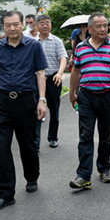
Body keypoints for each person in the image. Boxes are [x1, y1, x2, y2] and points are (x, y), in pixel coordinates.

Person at [0, 11, 48, 211]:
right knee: (2, 147)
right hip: (3, 101)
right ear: (3, 26)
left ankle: (32, 176)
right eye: (7, 25)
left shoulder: (34, 46)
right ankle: (5, 193)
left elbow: (40, 73)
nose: (12, 28)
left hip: (26, 101)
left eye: (15, 24)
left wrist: (41, 100)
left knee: (27, 144)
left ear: (23, 25)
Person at [68, 13, 110, 189]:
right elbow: (75, 71)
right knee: (85, 136)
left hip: (107, 96)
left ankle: (104, 169)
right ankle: (83, 175)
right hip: (86, 96)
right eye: (98, 26)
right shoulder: (81, 47)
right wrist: (71, 93)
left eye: (105, 25)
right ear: (89, 28)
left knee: (106, 135)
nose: (103, 29)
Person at [35, 14, 68, 149]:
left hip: (53, 79)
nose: (45, 25)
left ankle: (53, 137)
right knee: (36, 110)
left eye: (47, 23)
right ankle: (35, 142)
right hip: (36, 80)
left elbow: (63, 58)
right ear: (37, 25)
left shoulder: (56, 41)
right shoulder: (32, 42)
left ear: (51, 25)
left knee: (54, 110)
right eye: (42, 23)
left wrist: (60, 73)